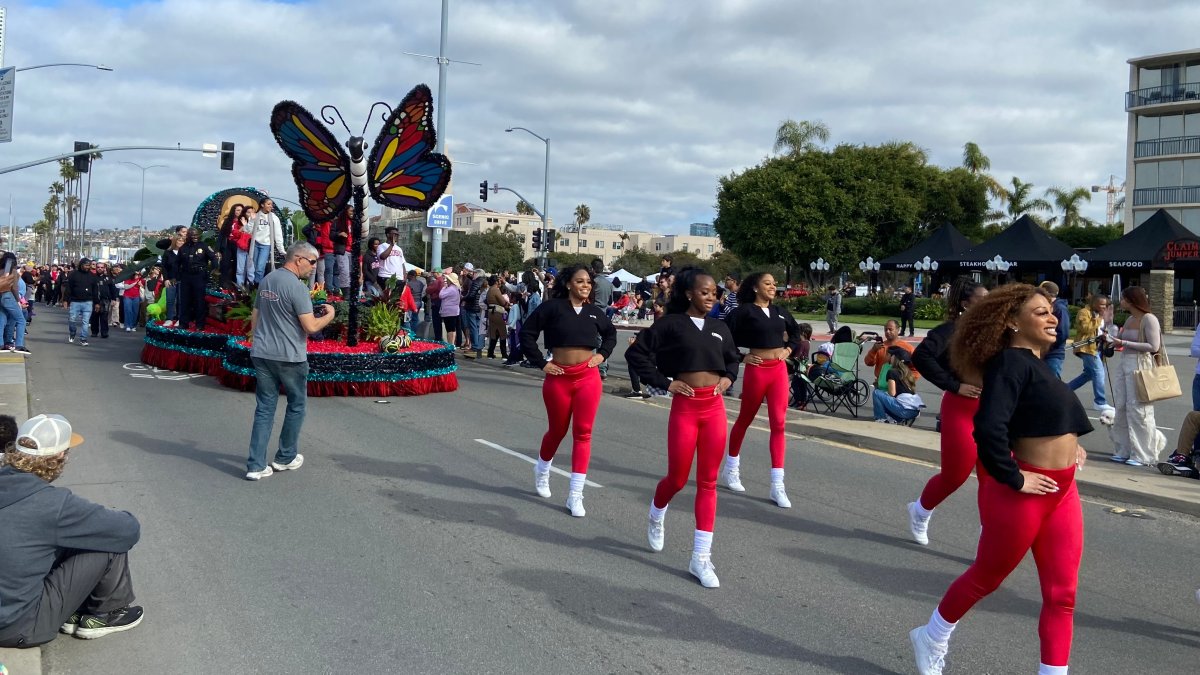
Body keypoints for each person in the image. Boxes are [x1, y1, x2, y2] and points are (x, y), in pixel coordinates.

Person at [910, 284, 1092, 675]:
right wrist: (1014, 477)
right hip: (1027, 491)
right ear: (1011, 322)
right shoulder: (1010, 362)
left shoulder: (1037, 363)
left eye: (1051, 311)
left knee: (1063, 595)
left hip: (1063, 491)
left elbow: (1036, 418)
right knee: (986, 578)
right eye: (1040, 311)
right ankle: (932, 636)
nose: (1052, 317)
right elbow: (988, 428)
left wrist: (1071, 446)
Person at [626, 267, 741, 588]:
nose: (711, 298)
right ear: (689, 293)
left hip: (714, 408)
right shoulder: (671, 324)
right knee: (677, 478)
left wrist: (728, 378)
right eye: (704, 292)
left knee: (708, 483)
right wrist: (665, 383)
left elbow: (733, 360)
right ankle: (656, 512)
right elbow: (636, 354)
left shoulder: (720, 327)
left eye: (714, 293)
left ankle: (700, 558)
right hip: (685, 408)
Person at [0, 414, 144, 646]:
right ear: (59, 456)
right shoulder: (52, 504)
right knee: (106, 540)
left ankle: (73, 610)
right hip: (19, 626)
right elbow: (127, 530)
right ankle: (106, 614)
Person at [519, 264, 617, 517]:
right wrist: (542, 363)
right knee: (557, 431)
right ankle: (542, 469)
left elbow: (610, 334)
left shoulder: (595, 312)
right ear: (568, 284)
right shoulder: (552, 308)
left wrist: (602, 355)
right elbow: (527, 333)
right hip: (559, 378)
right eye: (580, 281)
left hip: (588, 378)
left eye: (588, 282)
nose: (585, 286)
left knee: (583, 433)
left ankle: (575, 495)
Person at [906, 278, 988, 546]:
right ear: (966, 304)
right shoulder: (950, 331)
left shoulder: (999, 332)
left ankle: (988, 539)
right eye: (982, 299)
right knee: (956, 475)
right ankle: (920, 510)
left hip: (994, 412)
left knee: (994, 479)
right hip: (961, 410)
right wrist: (954, 385)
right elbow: (921, 357)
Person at [244, 242, 334, 481]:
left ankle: (255, 465)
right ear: (298, 259)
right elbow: (311, 326)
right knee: (296, 405)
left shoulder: (267, 280)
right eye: (312, 262)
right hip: (290, 356)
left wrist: (258, 340)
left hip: (262, 353)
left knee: (264, 408)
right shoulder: (297, 288)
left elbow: (256, 315)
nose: (313, 267)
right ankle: (285, 457)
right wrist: (331, 314)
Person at [721, 272, 802, 508]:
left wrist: (788, 351)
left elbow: (795, 334)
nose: (773, 286)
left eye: (774, 283)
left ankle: (778, 485)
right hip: (757, 370)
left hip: (778, 370)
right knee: (745, 419)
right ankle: (731, 468)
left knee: (779, 424)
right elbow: (724, 337)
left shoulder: (779, 312)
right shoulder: (744, 311)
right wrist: (741, 356)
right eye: (767, 283)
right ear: (756, 288)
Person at [1107, 286, 1167, 467]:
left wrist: (1123, 342)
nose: (1121, 301)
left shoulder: (1149, 319)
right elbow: (1121, 342)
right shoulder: (1129, 318)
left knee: (1139, 410)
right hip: (1125, 363)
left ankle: (1143, 454)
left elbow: (1153, 346)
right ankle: (1123, 449)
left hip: (1141, 364)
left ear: (1132, 300)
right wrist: (1111, 339)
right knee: (1122, 407)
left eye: (1124, 298)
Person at [1066, 294, 1113, 413]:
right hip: (1086, 348)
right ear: (1094, 303)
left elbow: (1101, 329)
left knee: (1089, 374)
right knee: (1099, 372)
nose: (1104, 307)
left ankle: (1065, 390)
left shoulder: (1101, 315)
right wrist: (1100, 318)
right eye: (1101, 304)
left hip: (1097, 348)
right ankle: (1100, 402)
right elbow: (1085, 328)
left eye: (1105, 305)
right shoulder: (1084, 312)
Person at [176, 228, 217, 331]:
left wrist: (213, 269)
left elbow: (213, 258)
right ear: (188, 236)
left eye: (196, 235)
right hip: (186, 276)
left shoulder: (204, 246)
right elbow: (177, 263)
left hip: (199, 276)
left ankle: (200, 324)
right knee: (184, 301)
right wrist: (175, 276)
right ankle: (183, 323)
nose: (195, 237)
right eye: (192, 235)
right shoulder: (183, 248)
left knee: (199, 301)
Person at [872, 347, 923, 423]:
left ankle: (881, 418)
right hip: (914, 410)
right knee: (887, 399)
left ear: (895, 358)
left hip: (904, 410)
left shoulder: (892, 372)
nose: (889, 356)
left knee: (877, 393)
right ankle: (895, 419)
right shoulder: (908, 373)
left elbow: (892, 393)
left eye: (891, 355)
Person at [248, 198, 286, 285]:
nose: (271, 206)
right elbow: (247, 231)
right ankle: (251, 285)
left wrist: (281, 250)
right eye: (268, 204)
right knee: (252, 267)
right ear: (262, 205)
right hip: (255, 244)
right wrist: (252, 220)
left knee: (260, 267)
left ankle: (257, 286)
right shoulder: (255, 216)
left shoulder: (274, 218)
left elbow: (278, 234)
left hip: (266, 244)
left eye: (271, 204)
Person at [63, 259, 100, 346]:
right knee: (72, 319)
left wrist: (97, 303)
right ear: (81, 265)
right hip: (75, 302)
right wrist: (65, 300)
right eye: (86, 265)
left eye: (89, 265)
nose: (87, 267)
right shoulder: (73, 274)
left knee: (85, 322)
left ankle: (83, 338)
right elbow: (69, 288)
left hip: (88, 302)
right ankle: (72, 332)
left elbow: (95, 291)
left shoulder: (92, 276)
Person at [1039, 281, 1070, 378]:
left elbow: (1063, 333)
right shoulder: (1049, 307)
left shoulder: (1060, 309)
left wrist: (1049, 346)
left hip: (1053, 354)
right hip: (1044, 352)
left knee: (1052, 383)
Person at [376, 227, 407, 302]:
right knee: (386, 302)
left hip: (399, 279)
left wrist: (404, 275)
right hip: (386, 277)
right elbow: (383, 257)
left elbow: (402, 262)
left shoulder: (399, 248)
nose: (396, 236)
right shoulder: (381, 246)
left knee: (396, 301)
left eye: (397, 234)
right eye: (394, 234)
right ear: (387, 235)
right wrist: (391, 245)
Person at [217, 204, 244, 289]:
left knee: (238, 265)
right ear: (233, 211)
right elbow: (221, 235)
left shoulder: (244, 221)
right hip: (228, 244)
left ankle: (237, 286)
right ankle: (223, 285)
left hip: (238, 245)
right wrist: (217, 249)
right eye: (237, 210)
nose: (239, 212)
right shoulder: (228, 221)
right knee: (225, 265)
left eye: (241, 210)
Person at [484, 274, 509, 360]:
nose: (500, 282)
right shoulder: (495, 290)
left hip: (491, 312)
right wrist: (508, 305)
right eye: (499, 280)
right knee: (502, 333)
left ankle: (490, 352)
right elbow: (502, 302)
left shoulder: (489, 290)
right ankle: (504, 354)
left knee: (494, 333)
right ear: (496, 282)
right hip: (497, 312)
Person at [437, 269, 462, 347]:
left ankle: (450, 344)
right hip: (454, 310)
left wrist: (444, 287)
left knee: (449, 329)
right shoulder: (456, 288)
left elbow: (441, 295)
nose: (446, 280)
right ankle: (452, 343)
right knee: (453, 328)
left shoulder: (450, 289)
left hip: (449, 311)